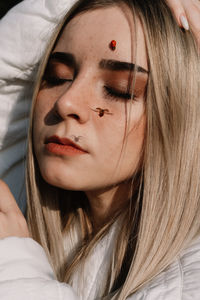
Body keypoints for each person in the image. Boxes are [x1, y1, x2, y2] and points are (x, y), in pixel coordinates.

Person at [0, 0, 200, 299]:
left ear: (183, 116)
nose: (66, 102)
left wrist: (13, 268)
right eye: (57, 77)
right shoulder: (23, 197)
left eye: (120, 89)